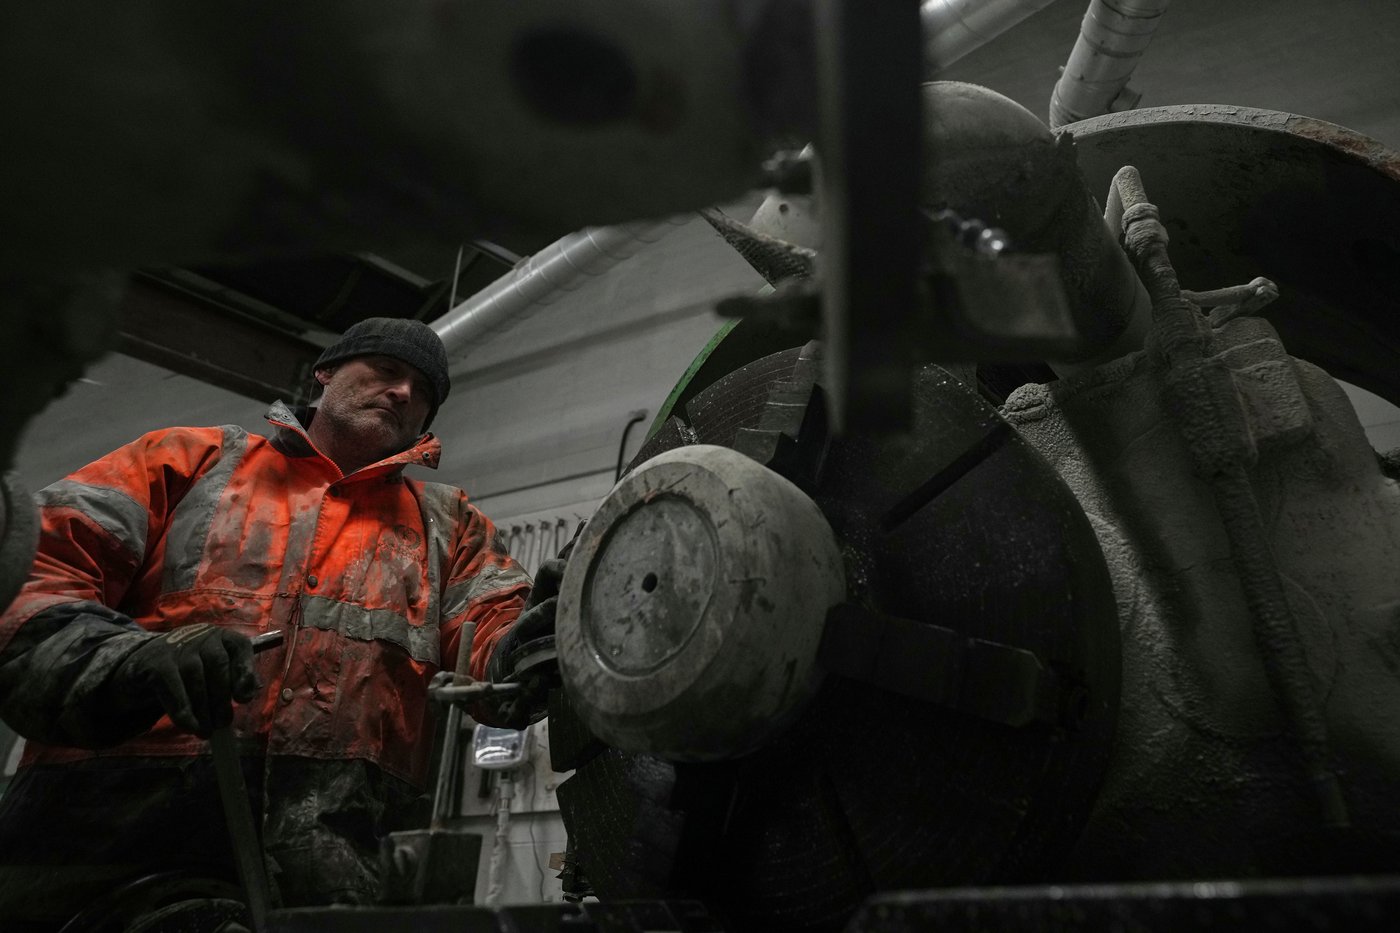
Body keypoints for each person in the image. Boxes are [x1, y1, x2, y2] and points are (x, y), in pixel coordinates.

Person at [0, 317, 557, 923]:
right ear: (325, 374)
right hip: (102, 850)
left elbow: (493, 640)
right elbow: (33, 577)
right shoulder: (187, 461)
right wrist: (132, 662)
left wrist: (537, 642)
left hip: (334, 874)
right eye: (388, 370)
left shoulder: (451, 527)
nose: (404, 393)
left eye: (423, 391)